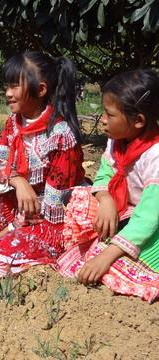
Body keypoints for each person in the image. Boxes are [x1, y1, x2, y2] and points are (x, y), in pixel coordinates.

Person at [0, 51, 85, 277]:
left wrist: (19, 222)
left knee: (7, 252)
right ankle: (5, 234)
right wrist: (19, 182)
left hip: (50, 214)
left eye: (15, 87)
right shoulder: (13, 124)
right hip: (22, 200)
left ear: (41, 90)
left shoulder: (60, 134)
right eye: (8, 86)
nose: (8, 93)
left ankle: (14, 238)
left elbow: (58, 200)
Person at [57, 69, 159, 303]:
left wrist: (108, 255)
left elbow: (149, 216)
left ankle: (113, 252)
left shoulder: (155, 156)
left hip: (150, 221)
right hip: (126, 210)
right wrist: (106, 199)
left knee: (112, 264)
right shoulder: (117, 140)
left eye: (109, 114)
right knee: (81, 199)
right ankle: (104, 245)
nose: (102, 119)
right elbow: (104, 174)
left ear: (138, 121)